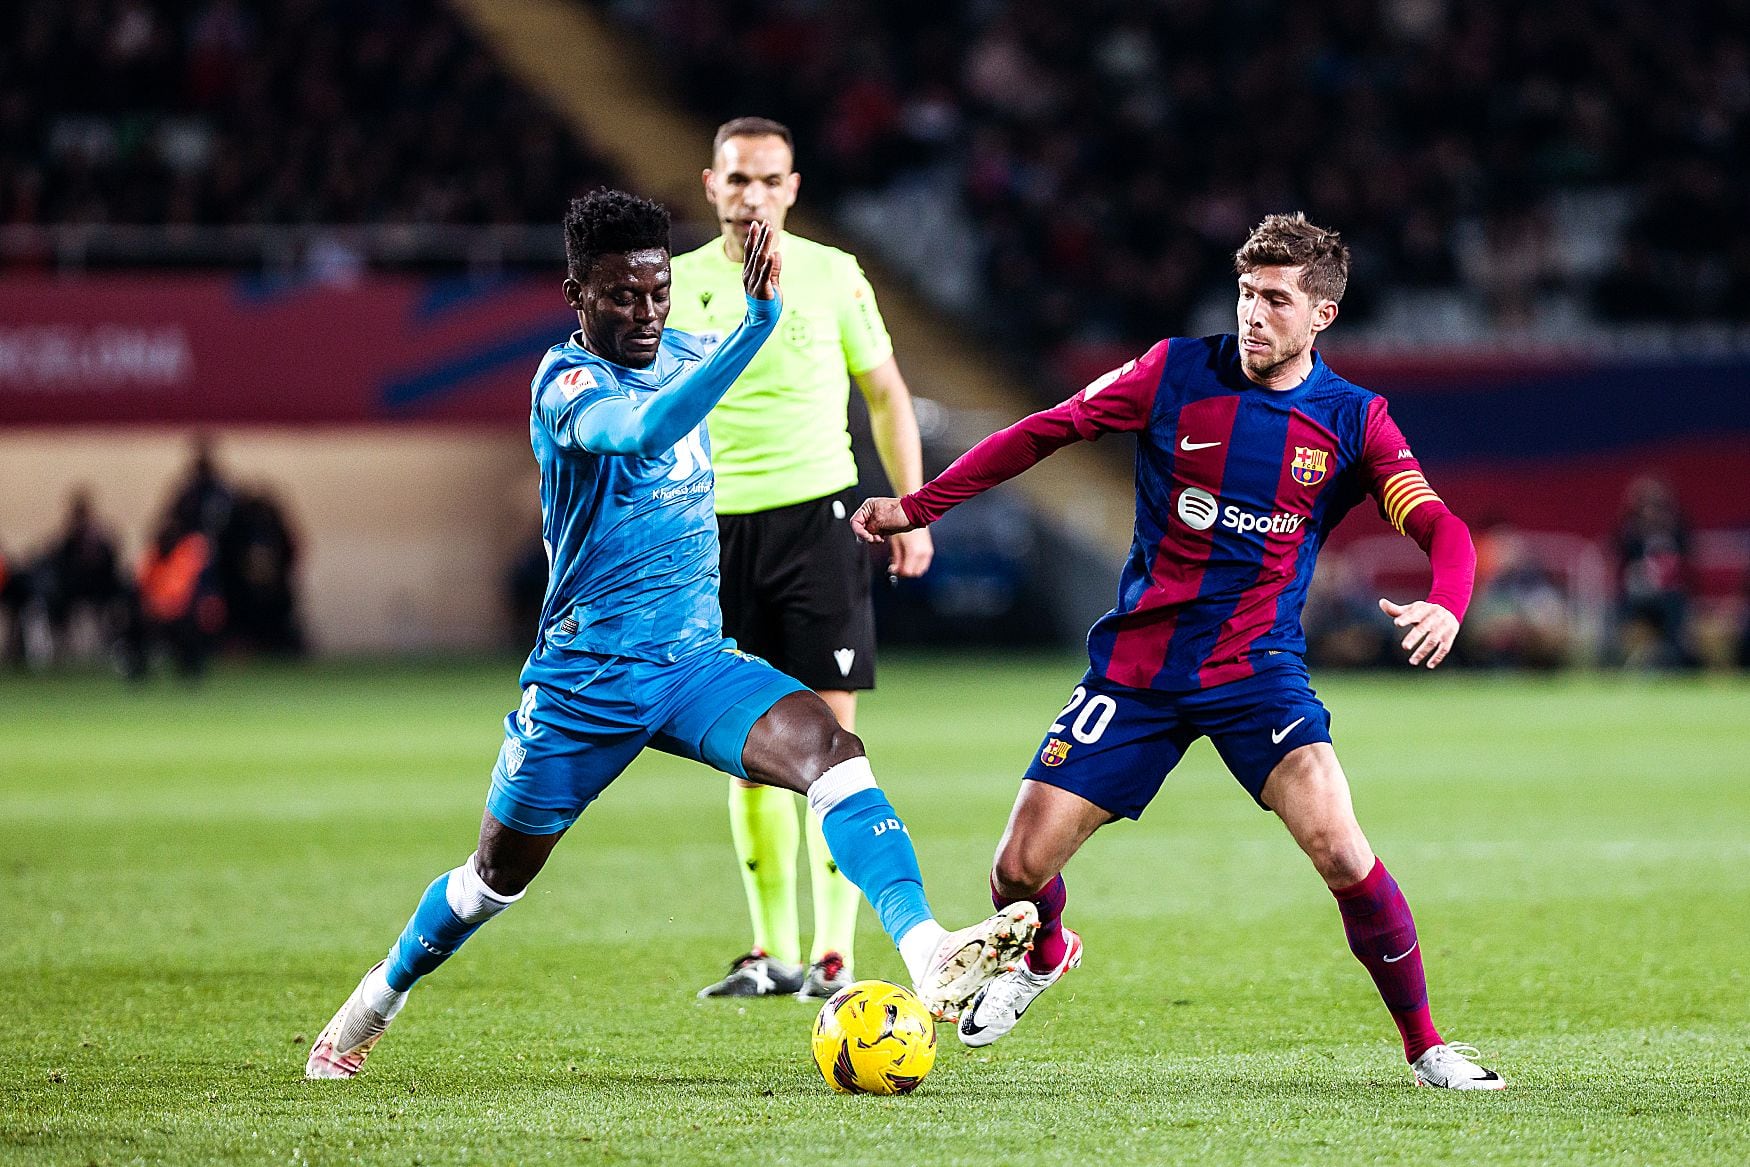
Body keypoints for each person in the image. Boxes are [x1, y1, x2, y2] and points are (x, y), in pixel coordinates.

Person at [304, 190, 1034, 1080]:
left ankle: (926, 950)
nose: (646, 312)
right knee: (493, 881)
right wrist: (758, 326)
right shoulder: (567, 386)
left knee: (834, 751)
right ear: (578, 294)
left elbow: (782, 398)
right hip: (585, 681)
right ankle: (374, 1000)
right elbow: (646, 429)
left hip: (694, 664)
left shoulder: (689, 351)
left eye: (657, 293)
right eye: (621, 296)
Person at [854, 213, 1506, 1090]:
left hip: (1257, 672)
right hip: (1138, 670)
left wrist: (1448, 599)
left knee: (1341, 848)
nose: (1253, 314)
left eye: (1276, 299)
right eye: (1245, 293)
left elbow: (1439, 524)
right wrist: (921, 504)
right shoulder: (1172, 373)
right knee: (1016, 869)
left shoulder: (1354, 421)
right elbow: (1044, 428)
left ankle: (1427, 1047)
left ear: (1322, 314)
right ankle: (1046, 951)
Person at [667, 116, 936, 1000]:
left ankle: (833, 957)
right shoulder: (675, 286)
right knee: (744, 739)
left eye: (768, 180)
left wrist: (912, 509)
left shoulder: (832, 274)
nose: (752, 196)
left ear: (792, 187)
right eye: (736, 180)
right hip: (714, 529)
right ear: (711, 186)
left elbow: (887, 395)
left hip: (822, 523)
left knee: (830, 734)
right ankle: (768, 951)